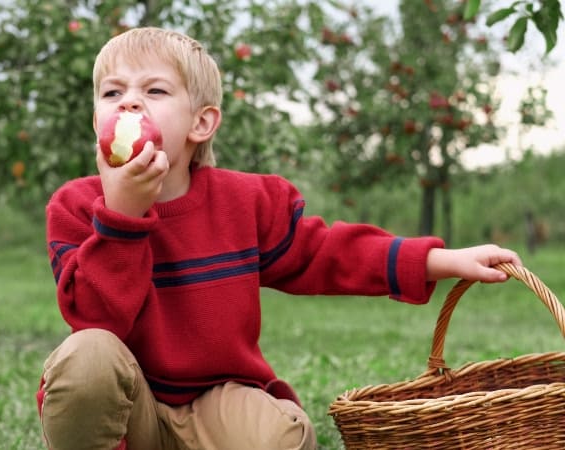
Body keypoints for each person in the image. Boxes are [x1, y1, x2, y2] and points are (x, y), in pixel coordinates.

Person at [37, 27, 522, 450]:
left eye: (155, 90)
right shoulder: (77, 207)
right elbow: (95, 319)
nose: (129, 102)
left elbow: (329, 253)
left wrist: (440, 260)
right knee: (87, 356)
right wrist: (121, 216)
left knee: (281, 435)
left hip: (215, 403)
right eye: (112, 93)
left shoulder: (244, 202)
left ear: (201, 123)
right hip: (129, 408)